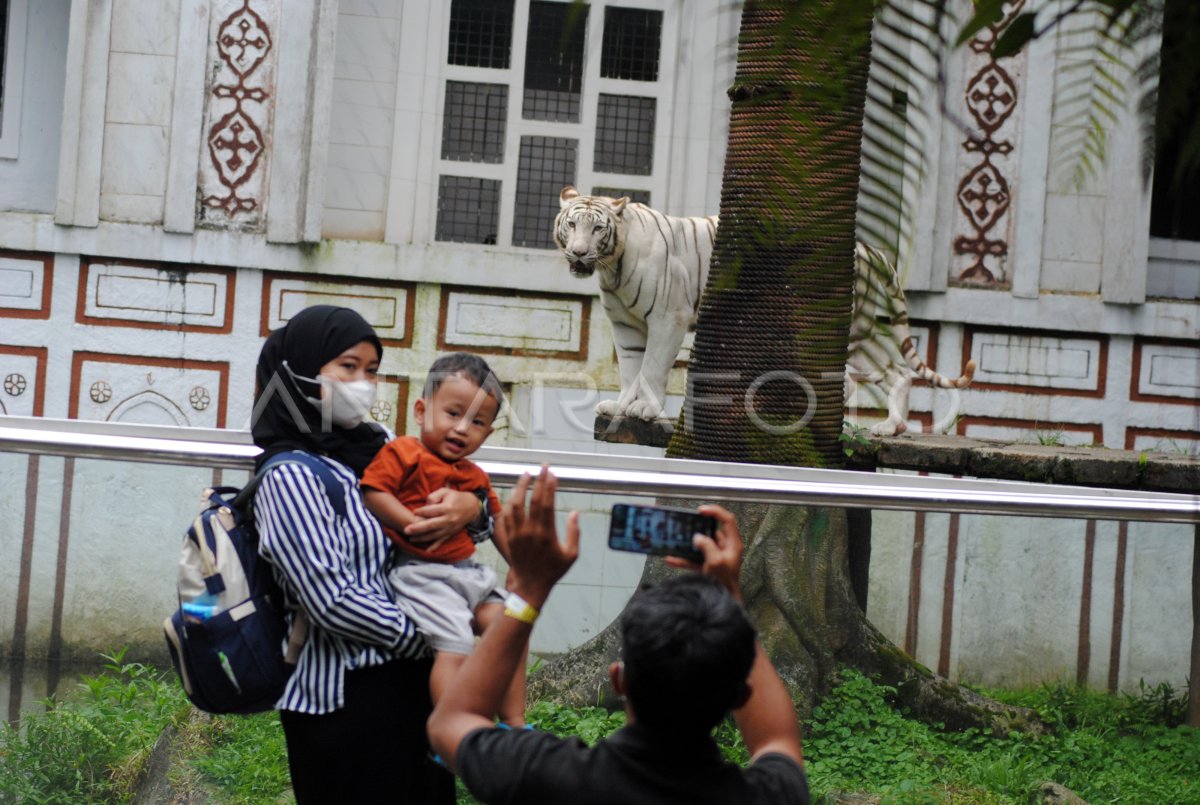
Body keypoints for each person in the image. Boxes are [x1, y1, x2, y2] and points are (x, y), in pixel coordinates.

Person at [428, 467, 811, 805]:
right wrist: (730, 597)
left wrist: (528, 592)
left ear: (619, 679)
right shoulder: (767, 795)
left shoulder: (546, 777)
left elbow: (452, 720)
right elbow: (777, 741)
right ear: (738, 695)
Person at [251, 305, 482, 804]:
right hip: (345, 701)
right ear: (301, 370)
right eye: (348, 367)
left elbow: (447, 517)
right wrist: (434, 638)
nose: (364, 382)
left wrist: (471, 507)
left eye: (372, 370)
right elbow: (330, 600)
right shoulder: (291, 476)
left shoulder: (382, 449)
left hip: (411, 689)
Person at [362, 352, 528, 727]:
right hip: (422, 575)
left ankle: (516, 722)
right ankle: (450, 727)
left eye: (477, 422)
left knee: (512, 625)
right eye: (452, 414)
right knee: (455, 646)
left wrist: (525, 566)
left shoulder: (475, 476)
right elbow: (373, 492)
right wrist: (410, 523)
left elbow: (498, 522)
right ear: (421, 411)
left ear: (487, 433)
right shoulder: (404, 452)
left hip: (467, 572)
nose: (461, 429)